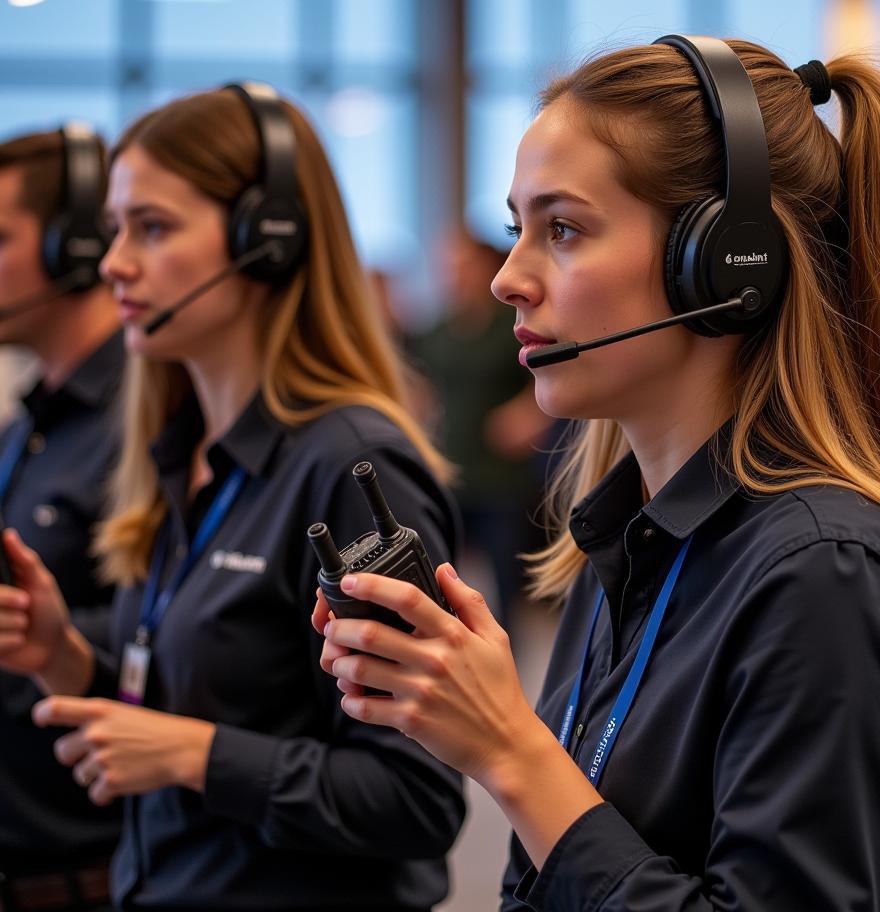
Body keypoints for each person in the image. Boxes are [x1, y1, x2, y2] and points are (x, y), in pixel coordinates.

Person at [313, 36, 880, 911]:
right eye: (518, 227)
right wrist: (465, 720)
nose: (509, 280)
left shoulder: (825, 576)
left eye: (562, 229)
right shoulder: (631, 540)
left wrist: (514, 754)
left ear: (725, 261)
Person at [0, 84, 464, 911]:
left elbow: (416, 799)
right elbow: (181, 691)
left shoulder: (353, 469)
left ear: (268, 243)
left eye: (153, 228)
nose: (113, 265)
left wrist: (197, 754)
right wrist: (63, 654)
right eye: (113, 231)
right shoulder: (184, 455)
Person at [0, 126, 123, 910]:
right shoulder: (26, 425)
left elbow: (177, 655)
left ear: (74, 248)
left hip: (91, 877)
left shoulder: (149, 432)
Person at [409, 229, 551, 627]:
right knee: (440, 578)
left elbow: (545, 379)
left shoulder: (512, 328)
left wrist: (528, 416)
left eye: (461, 266)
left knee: (504, 586)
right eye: (446, 268)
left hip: (499, 479)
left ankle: (506, 663)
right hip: (450, 474)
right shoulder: (437, 331)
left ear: (485, 267)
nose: (452, 275)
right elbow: (421, 384)